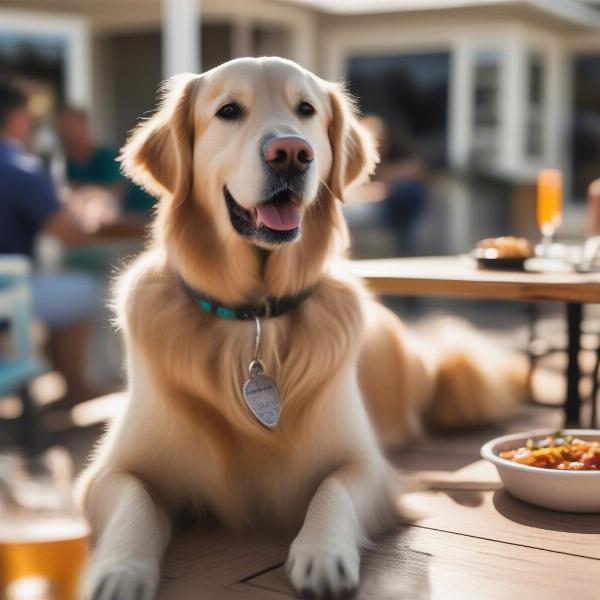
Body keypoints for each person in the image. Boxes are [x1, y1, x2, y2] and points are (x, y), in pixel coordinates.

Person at [0, 80, 102, 405]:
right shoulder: (20, 169)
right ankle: (73, 389)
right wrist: (83, 204)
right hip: (6, 296)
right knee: (84, 290)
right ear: (18, 119)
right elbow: (74, 234)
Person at [58, 106, 155, 219]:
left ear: (84, 127)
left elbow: (116, 193)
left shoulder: (106, 157)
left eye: (72, 128)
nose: (68, 134)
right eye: (64, 130)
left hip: (142, 214)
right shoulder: (67, 164)